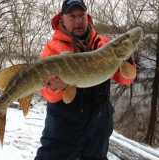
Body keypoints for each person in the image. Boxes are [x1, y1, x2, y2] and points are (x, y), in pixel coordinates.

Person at [35, 0, 136, 160]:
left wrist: (127, 59)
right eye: (72, 16)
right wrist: (57, 88)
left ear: (87, 17)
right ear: (62, 19)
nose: (78, 21)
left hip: (99, 127)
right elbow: (48, 95)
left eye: (82, 15)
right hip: (64, 129)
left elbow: (126, 80)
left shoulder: (104, 44)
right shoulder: (53, 49)